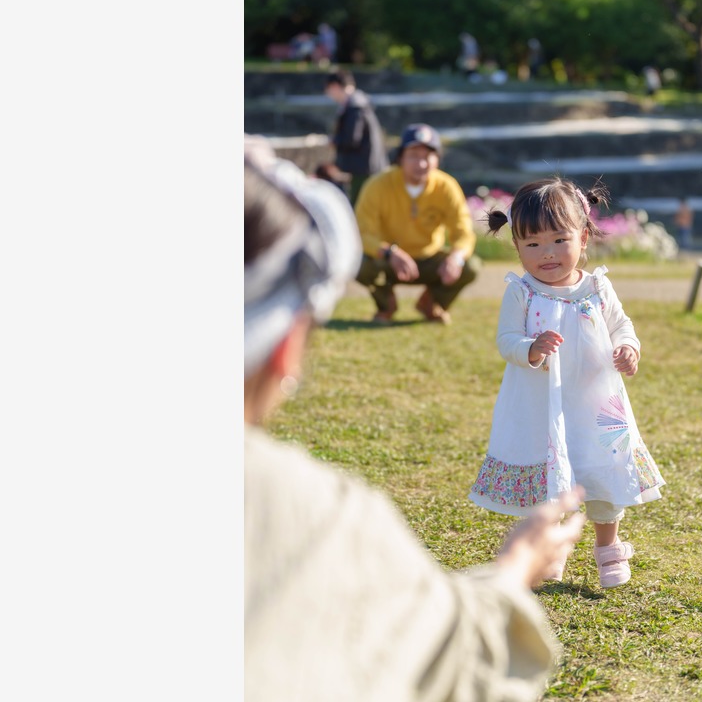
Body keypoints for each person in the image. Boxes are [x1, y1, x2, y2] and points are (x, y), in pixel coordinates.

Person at [243, 136, 587, 701]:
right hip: (390, 263)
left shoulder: (448, 192)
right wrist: (519, 565)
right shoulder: (319, 515)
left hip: (430, 265)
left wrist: (453, 254)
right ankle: (391, 299)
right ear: (286, 349)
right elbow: (445, 657)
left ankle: (432, 300)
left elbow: (458, 232)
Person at [467, 177, 667, 589]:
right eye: (533, 244)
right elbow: (506, 340)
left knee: (601, 470)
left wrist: (628, 347)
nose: (548, 254)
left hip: (595, 403)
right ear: (517, 247)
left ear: (584, 236)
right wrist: (531, 348)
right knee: (547, 482)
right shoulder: (521, 291)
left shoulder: (596, 287)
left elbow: (621, 325)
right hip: (540, 404)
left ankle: (608, 548)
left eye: (559, 240)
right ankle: (550, 550)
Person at [354, 123, 480, 325]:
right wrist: (390, 252)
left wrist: (456, 257)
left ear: (437, 160)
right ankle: (385, 305)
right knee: (358, 265)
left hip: (430, 259)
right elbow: (362, 233)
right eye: (413, 155)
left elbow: (464, 232)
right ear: (400, 158)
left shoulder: (446, 186)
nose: (421, 163)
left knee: (470, 266)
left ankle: (432, 302)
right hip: (389, 260)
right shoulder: (377, 185)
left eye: (428, 156)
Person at [322, 69, 388, 205]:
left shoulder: (354, 106)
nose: (329, 94)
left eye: (329, 90)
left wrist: (334, 141)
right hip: (368, 167)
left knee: (360, 208)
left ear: (335, 86)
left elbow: (351, 139)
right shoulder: (359, 102)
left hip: (363, 170)